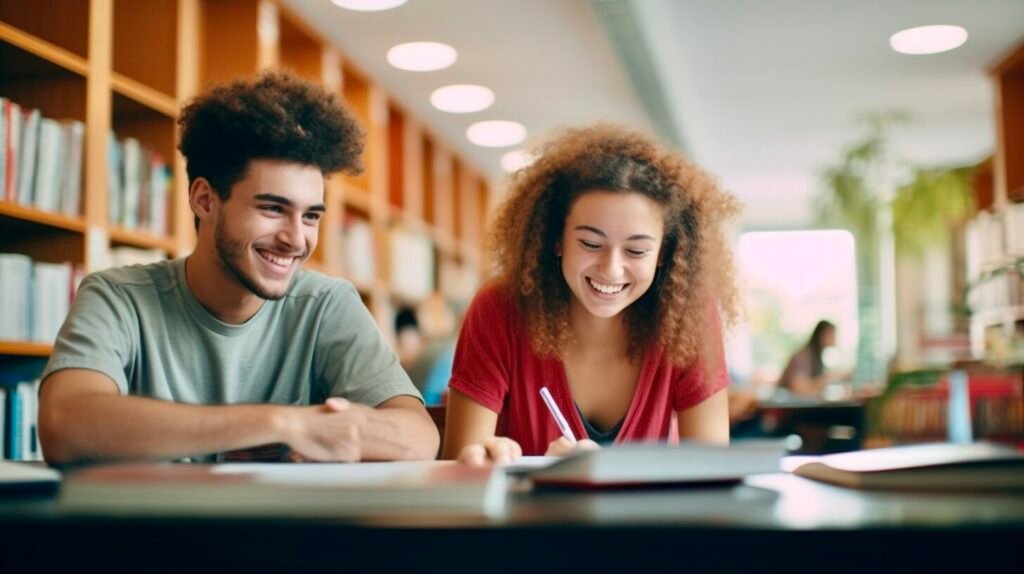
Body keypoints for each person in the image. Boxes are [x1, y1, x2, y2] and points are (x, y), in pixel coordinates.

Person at [38, 72, 438, 465]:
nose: (296, 239)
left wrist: (338, 433)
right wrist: (284, 423)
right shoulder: (118, 297)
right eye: (273, 208)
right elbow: (64, 424)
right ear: (205, 200)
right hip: (153, 532)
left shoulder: (325, 304)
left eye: (311, 216)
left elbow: (419, 437)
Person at [441, 125, 742, 464]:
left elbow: (713, 475)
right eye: (590, 244)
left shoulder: (690, 318)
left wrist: (609, 475)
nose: (611, 269)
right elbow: (459, 468)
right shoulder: (500, 308)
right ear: (555, 239)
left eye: (637, 251)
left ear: (664, 255)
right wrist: (486, 460)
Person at [776, 320, 837, 397]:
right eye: (832, 335)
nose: (835, 339)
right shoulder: (803, 357)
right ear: (822, 335)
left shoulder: (816, 357)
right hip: (786, 406)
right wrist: (826, 379)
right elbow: (799, 389)